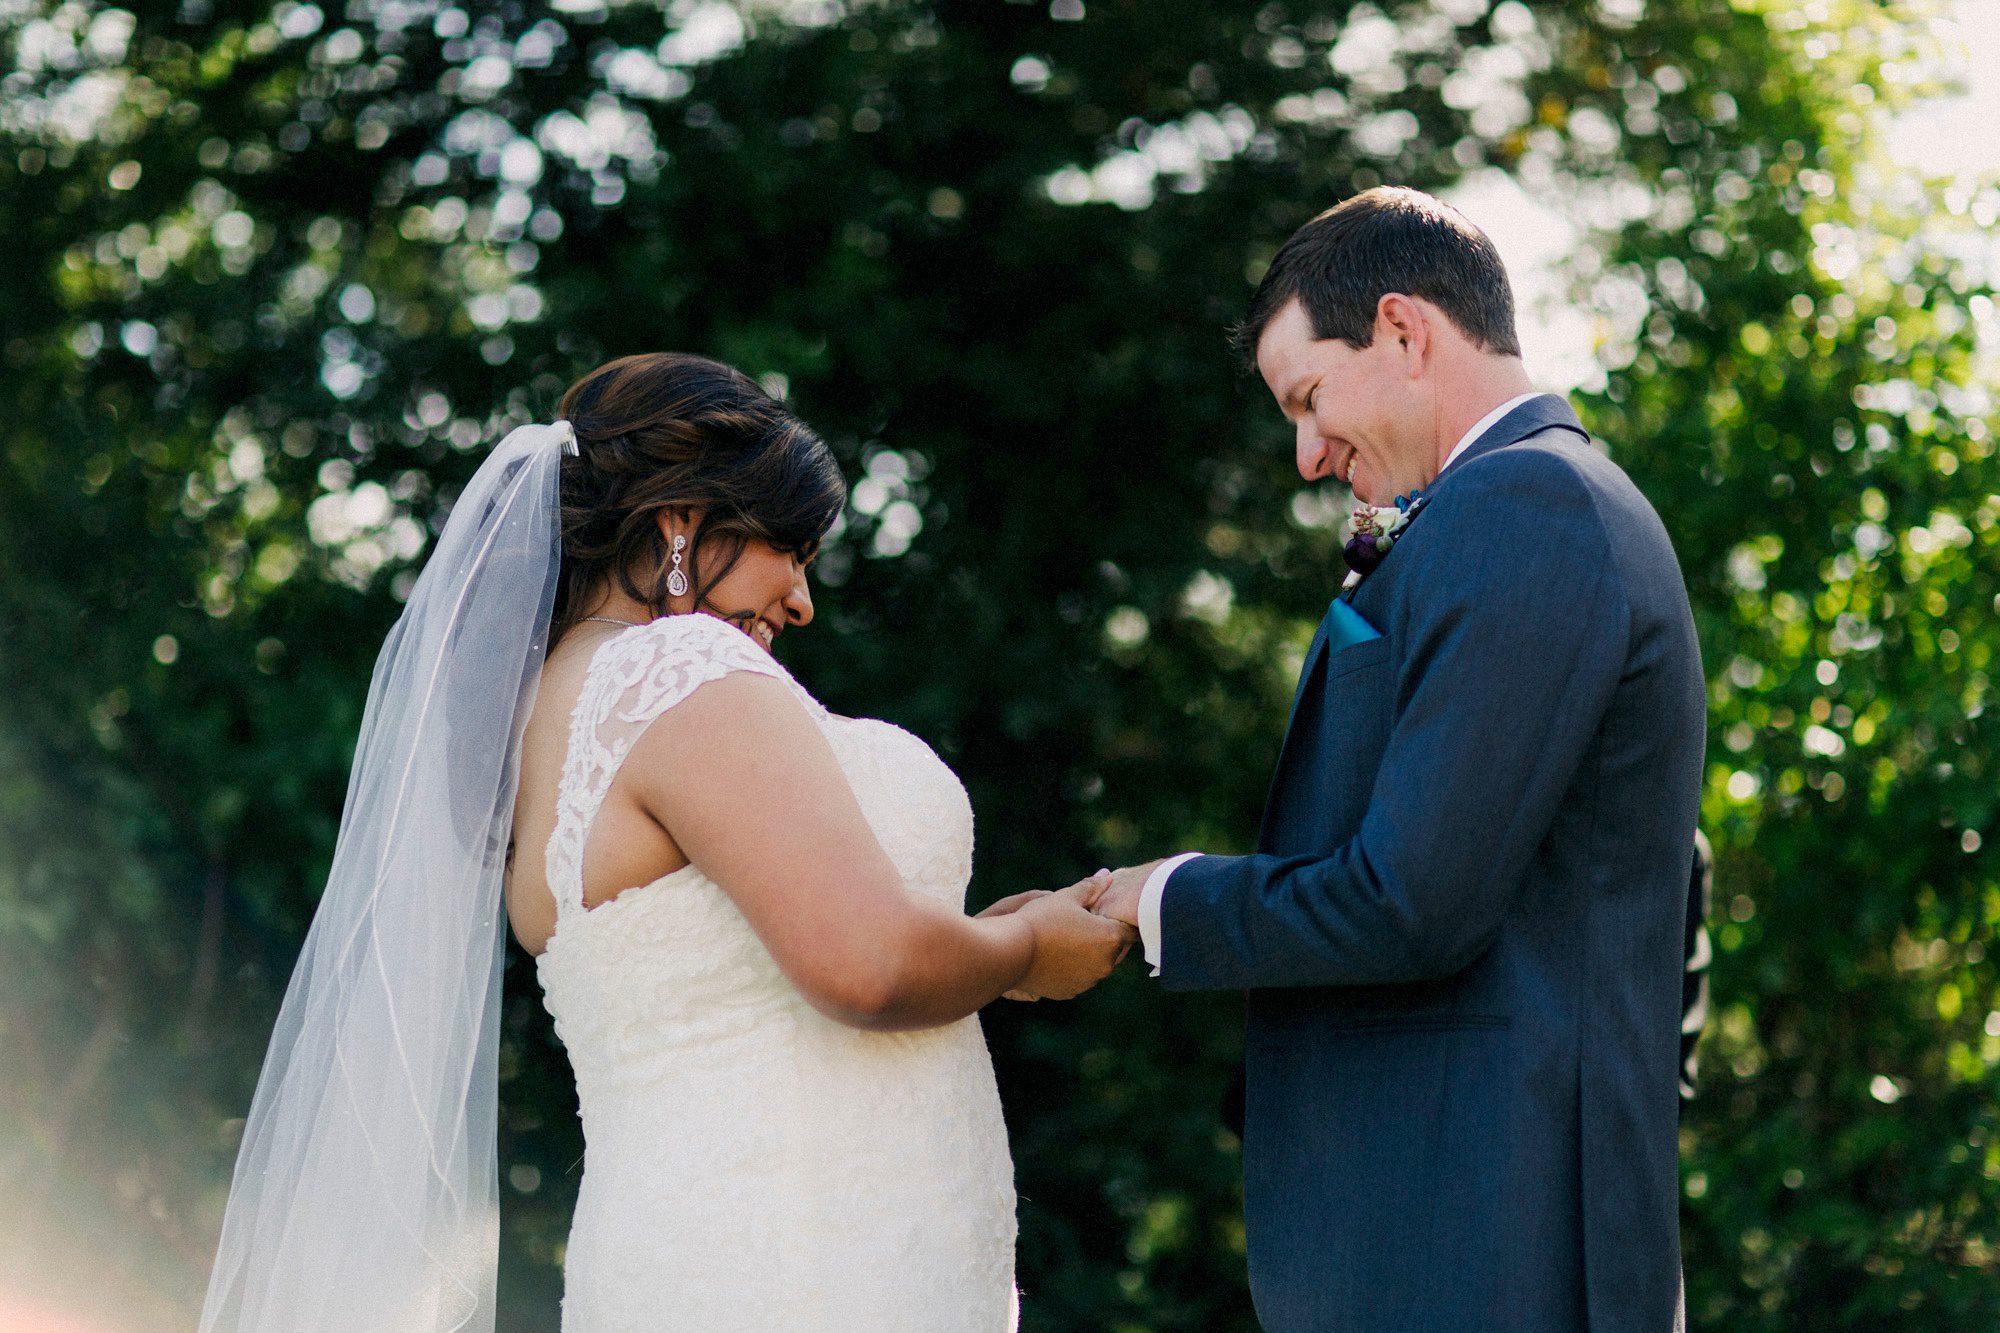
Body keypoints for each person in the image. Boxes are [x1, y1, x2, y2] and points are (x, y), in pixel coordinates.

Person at [199, 352, 1133, 1333]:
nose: (803, 600)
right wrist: (1026, 951)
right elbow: (867, 965)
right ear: (679, 524)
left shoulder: (552, 717)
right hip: (805, 1268)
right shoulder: (677, 667)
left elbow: (799, 955)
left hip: (699, 1257)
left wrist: (967, 946)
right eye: (791, 548)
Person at [1089, 188, 1706, 1332]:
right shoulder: (1525, 506)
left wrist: (1157, 898)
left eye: (1307, 397)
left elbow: (1410, 900)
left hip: (1484, 1233)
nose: (1306, 452)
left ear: (1403, 331)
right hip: (1456, 1219)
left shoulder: (1528, 505)